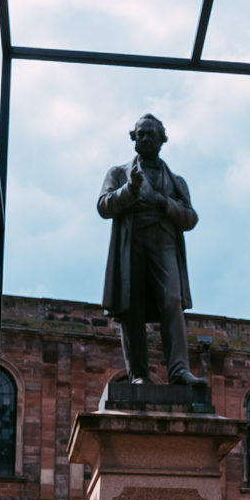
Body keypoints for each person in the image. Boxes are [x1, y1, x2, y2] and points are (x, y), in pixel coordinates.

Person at [95, 114, 204, 388]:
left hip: (165, 244)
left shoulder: (176, 182)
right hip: (131, 245)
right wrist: (129, 191)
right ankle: (139, 375)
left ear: (161, 140)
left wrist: (163, 203)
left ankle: (179, 371)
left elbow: (190, 218)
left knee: (172, 301)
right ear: (133, 138)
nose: (143, 138)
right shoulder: (119, 173)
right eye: (139, 134)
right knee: (132, 308)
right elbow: (103, 206)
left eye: (149, 134)